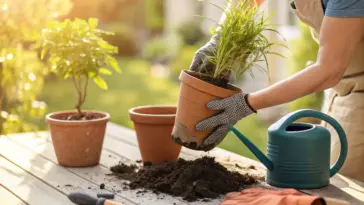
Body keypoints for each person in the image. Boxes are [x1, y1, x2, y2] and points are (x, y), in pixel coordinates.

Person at [190, 0, 364, 182]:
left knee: (348, 185)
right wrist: (220, 38)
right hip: (340, 88)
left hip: (359, 97)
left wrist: (246, 104)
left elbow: (329, 71)